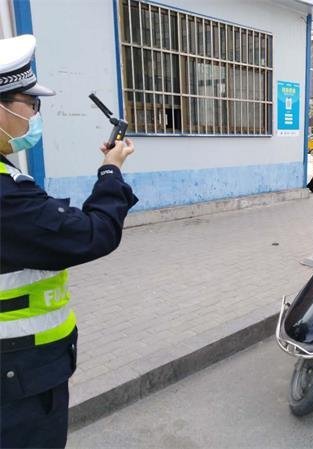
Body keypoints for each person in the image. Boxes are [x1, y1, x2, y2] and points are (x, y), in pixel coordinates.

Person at [0, 35, 138, 448]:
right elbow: (92, 234)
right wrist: (111, 171)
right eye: (30, 103)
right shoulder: (7, 195)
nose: (35, 114)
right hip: (18, 379)